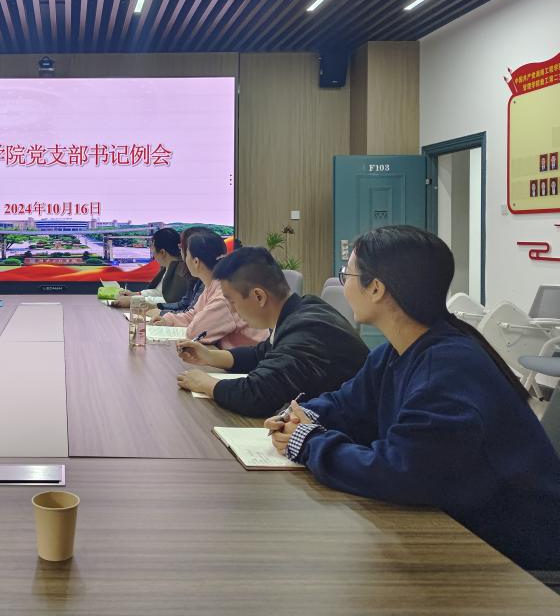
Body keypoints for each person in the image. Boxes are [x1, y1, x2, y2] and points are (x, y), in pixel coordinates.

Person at [266, 226, 560, 572]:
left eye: (347, 274)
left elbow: (400, 473)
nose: (344, 285)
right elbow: (347, 404)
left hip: (513, 559)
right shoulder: (397, 352)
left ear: (376, 288)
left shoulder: (447, 369)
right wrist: (300, 415)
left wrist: (308, 442)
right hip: (460, 526)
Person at [176, 246, 367, 418]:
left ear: (259, 296)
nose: (232, 309)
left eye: (232, 301)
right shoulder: (300, 309)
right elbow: (261, 354)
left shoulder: (306, 329)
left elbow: (257, 395)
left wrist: (206, 383)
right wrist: (209, 356)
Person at [152, 234, 267, 348]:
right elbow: (193, 314)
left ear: (196, 262)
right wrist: (168, 319)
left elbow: (196, 332)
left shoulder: (225, 294)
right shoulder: (214, 284)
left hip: (248, 359)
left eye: (186, 254)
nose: (184, 259)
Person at [111, 228, 191, 308]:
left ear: (162, 252)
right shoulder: (170, 267)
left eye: (152, 248)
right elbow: (160, 292)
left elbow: (169, 301)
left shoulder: (180, 273)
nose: (152, 253)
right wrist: (137, 294)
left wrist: (134, 300)